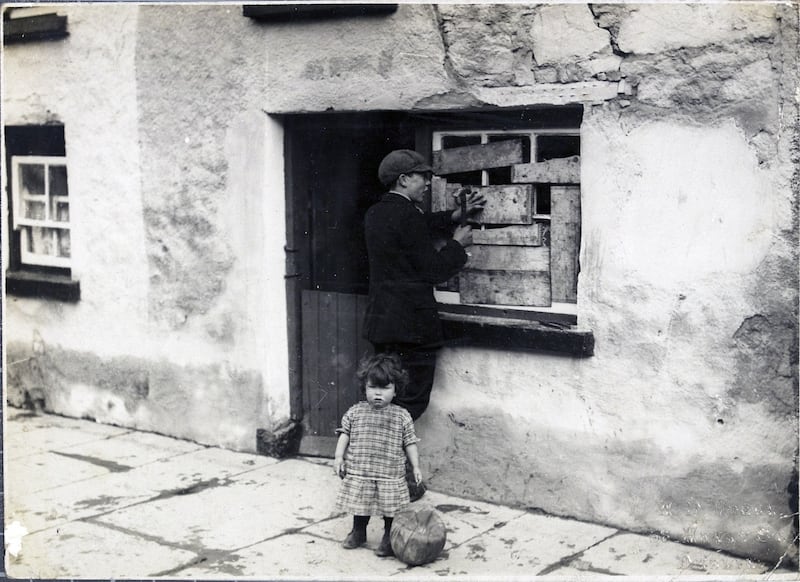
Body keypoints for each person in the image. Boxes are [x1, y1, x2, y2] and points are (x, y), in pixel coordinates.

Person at [363, 149, 485, 422]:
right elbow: (434, 271)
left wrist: (450, 217)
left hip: (383, 326)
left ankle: (372, 456)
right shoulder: (409, 217)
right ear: (404, 179)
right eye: (423, 177)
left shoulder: (375, 213)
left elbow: (413, 228)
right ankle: (389, 460)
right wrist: (457, 245)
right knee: (411, 402)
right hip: (412, 330)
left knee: (383, 397)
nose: (429, 183)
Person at [333, 353, 421, 558]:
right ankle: (358, 531)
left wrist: (416, 466)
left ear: (396, 389)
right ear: (364, 387)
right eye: (373, 387)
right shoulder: (355, 412)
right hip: (361, 469)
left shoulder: (401, 416)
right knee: (360, 503)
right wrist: (339, 457)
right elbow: (345, 434)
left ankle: (388, 537)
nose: (378, 394)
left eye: (385, 388)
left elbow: (410, 443)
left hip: (389, 473)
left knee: (390, 508)